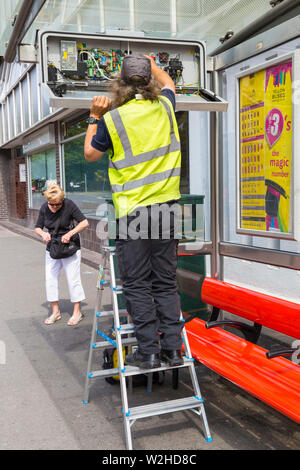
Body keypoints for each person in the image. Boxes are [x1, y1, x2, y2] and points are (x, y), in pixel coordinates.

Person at [84, 54, 183, 369]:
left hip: (134, 214)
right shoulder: (166, 107)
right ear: (149, 82)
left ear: (120, 86)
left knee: (138, 283)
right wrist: (153, 64)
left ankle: (148, 352)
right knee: (165, 282)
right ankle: (172, 349)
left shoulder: (112, 119)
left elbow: (90, 154)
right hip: (167, 208)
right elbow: (169, 83)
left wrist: (93, 116)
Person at [34, 182, 89, 325]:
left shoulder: (69, 204)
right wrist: (43, 234)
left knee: (73, 278)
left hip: (70, 246)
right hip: (53, 247)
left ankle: (77, 312)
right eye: (51, 204)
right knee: (50, 279)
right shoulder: (44, 208)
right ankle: (55, 312)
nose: (54, 207)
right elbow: (37, 227)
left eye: (57, 204)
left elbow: (84, 222)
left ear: (62, 200)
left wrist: (70, 233)